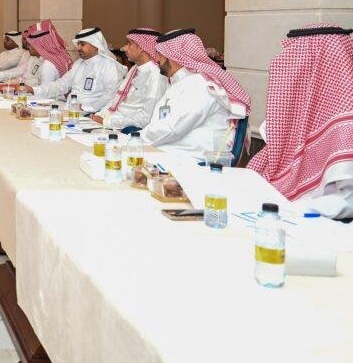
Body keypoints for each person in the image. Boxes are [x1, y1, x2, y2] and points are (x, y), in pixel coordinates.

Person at [249, 25, 353, 219]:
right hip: (277, 203)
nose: (283, 63)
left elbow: (347, 200)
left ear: (315, 64)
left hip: (311, 219)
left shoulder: (346, 120)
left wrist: (289, 209)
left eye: (294, 57)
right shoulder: (303, 106)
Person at [140, 28, 250, 158]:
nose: (157, 59)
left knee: (131, 155)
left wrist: (138, 138)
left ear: (173, 57)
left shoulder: (199, 84)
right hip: (180, 148)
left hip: (199, 156)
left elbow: (174, 127)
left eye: (160, 54)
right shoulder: (181, 83)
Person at [20, 27, 126, 112]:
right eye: (78, 44)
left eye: (82, 44)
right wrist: (34, 90)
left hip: (92, 114)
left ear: (95, 45)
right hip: (70, 110)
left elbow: (111, 95)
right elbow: (62, 84)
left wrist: (87, 108)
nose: (78, 48)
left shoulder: (110, 66)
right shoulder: (79, 63)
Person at [93, 28, 168, 130]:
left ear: (141, 47)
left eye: (129, 44)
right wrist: (101, 115)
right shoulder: (135, 68)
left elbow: (146, 119)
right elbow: (117, 98)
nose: (123, 48)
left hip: (129, 129)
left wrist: (108, 122)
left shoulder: (156, 75)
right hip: (113, 121)